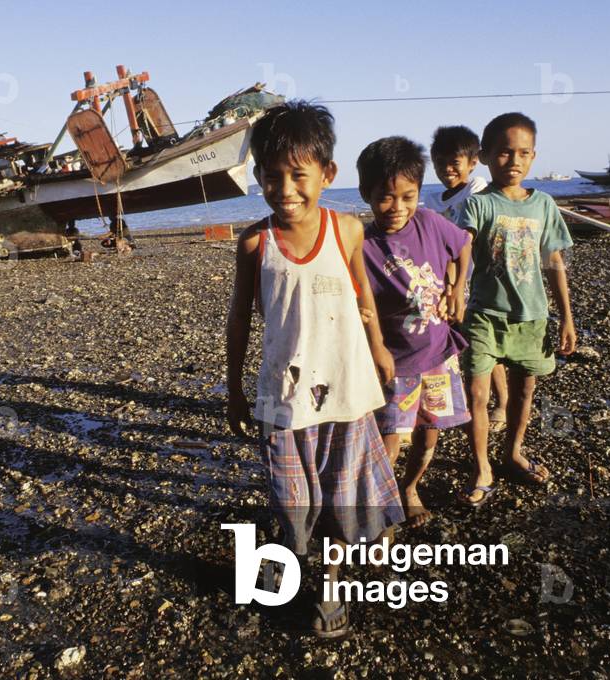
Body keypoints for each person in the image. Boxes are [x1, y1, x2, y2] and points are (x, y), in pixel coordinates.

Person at [226, 101, 402, 638]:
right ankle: (295, 560)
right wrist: (234, 390)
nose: (285, 190)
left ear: (326, 174)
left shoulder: (346, 230)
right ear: (258, 177)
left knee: (340, 497)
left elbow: (362, 295)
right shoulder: (256, 243)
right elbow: (238, 320)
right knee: (295, 499)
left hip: (346, 390)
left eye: (298, 176)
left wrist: (378, 347)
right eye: (271, 177)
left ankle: (329, 583)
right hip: (284, 399)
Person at [457, 112, 576, 507]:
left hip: (532, 318)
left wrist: (567, 317)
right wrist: (454, 291)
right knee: (477, 394)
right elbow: (460, 251)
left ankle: (512, 453)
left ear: (534, 156)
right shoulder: (478, 204)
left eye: (524, 153)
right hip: (484, 316)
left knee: (525, 393)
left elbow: (554, 262)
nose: (514, 161)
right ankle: (482, 467)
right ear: (486, 155)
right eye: (505, 152)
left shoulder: (543, 204)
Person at [357, 137, 472, 527]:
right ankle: (381, 512)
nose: (398, 207)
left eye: (408, 196)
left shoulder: (430, 222)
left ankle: (410, 488)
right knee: (390, 441)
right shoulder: (363, 245)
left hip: (439, 357)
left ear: (419, 194)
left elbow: (464, 245)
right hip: (397, 364)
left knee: (429, 435)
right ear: (366, 194)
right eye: (386, 197)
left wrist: (457, 290)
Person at [427, 125, 509, 432]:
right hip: (446, 282)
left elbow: (465, 238)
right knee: (460, 346)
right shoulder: (433, 201)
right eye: (440, 163)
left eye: (454, 163)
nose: (447, 169)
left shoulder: (476, 188)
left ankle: (501, 403)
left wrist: (456, 284)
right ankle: (465, 406)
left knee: (486, 348)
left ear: (472, 162)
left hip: (478, 282)